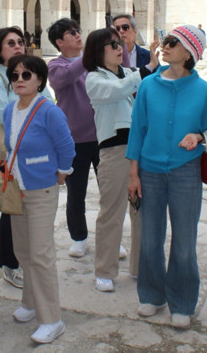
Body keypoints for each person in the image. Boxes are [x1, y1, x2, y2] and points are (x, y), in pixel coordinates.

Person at [127, 25, 207, 328]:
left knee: (184, 241)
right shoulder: (148, 86)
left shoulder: (204, 91)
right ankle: (152, 295)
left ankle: (182, 302)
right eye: (166, 41)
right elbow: (137, 130)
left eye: (173, 42)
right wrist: (133, 174)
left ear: (189, 52)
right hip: (149, 172)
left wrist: (198, 136)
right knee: (149, 239)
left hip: (185, 173)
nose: (164, 46)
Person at [4, 55, 75, 344]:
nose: (19, 80)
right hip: (16, 189)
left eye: (26, 75)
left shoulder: (49, 111)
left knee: (41, 254)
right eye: (15, 75)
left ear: (40, 80)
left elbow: (66, 145)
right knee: (23, 251)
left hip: (41, 190)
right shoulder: (9, 110)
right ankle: (30, 302)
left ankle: (52, 319)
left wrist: (62, 172)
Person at [0, 26, 52, 289]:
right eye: (10, 43)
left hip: (35, 152)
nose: (18, 46)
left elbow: (50, 105)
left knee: (30, 207)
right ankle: (10, 264)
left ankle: (25, 258)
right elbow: (3, 114)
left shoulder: (34, 73)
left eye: (20, 42)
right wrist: (32, 106)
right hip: (8, 154)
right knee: (12, 206)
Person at [84, 27, 143, 292]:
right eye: (113, 45)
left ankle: (139, 266)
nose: (120, 48)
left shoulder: (130, 73)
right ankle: (105, 271)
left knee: (142, 211)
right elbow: (117, 90)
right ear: (98, 51)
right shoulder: (95, 78)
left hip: (140, 148)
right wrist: (146, 71)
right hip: (115, 149)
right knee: (112, 212)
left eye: (120, 43)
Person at [47, 18, 100, 259]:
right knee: (76, 193)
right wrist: (91, 54)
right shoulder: (56, 66)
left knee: (110, 192)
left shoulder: (95, 63)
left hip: (102, 136)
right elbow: (67, 75)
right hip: (75, 140)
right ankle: (79, 237)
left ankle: (111, 236)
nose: (78, 35)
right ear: (60, 42)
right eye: (72, 32)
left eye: (78, 30)